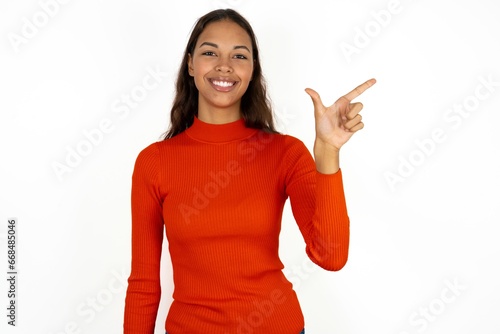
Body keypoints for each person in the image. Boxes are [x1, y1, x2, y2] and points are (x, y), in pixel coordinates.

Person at [123, 8, 375, 334]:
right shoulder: (155, 162)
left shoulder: (285, 153)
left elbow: (332, 255)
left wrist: (327, 152)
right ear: (190, 64)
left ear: (253, 69)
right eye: (210, 52)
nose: (224, 65)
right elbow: (144, 282)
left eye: (239, 56)